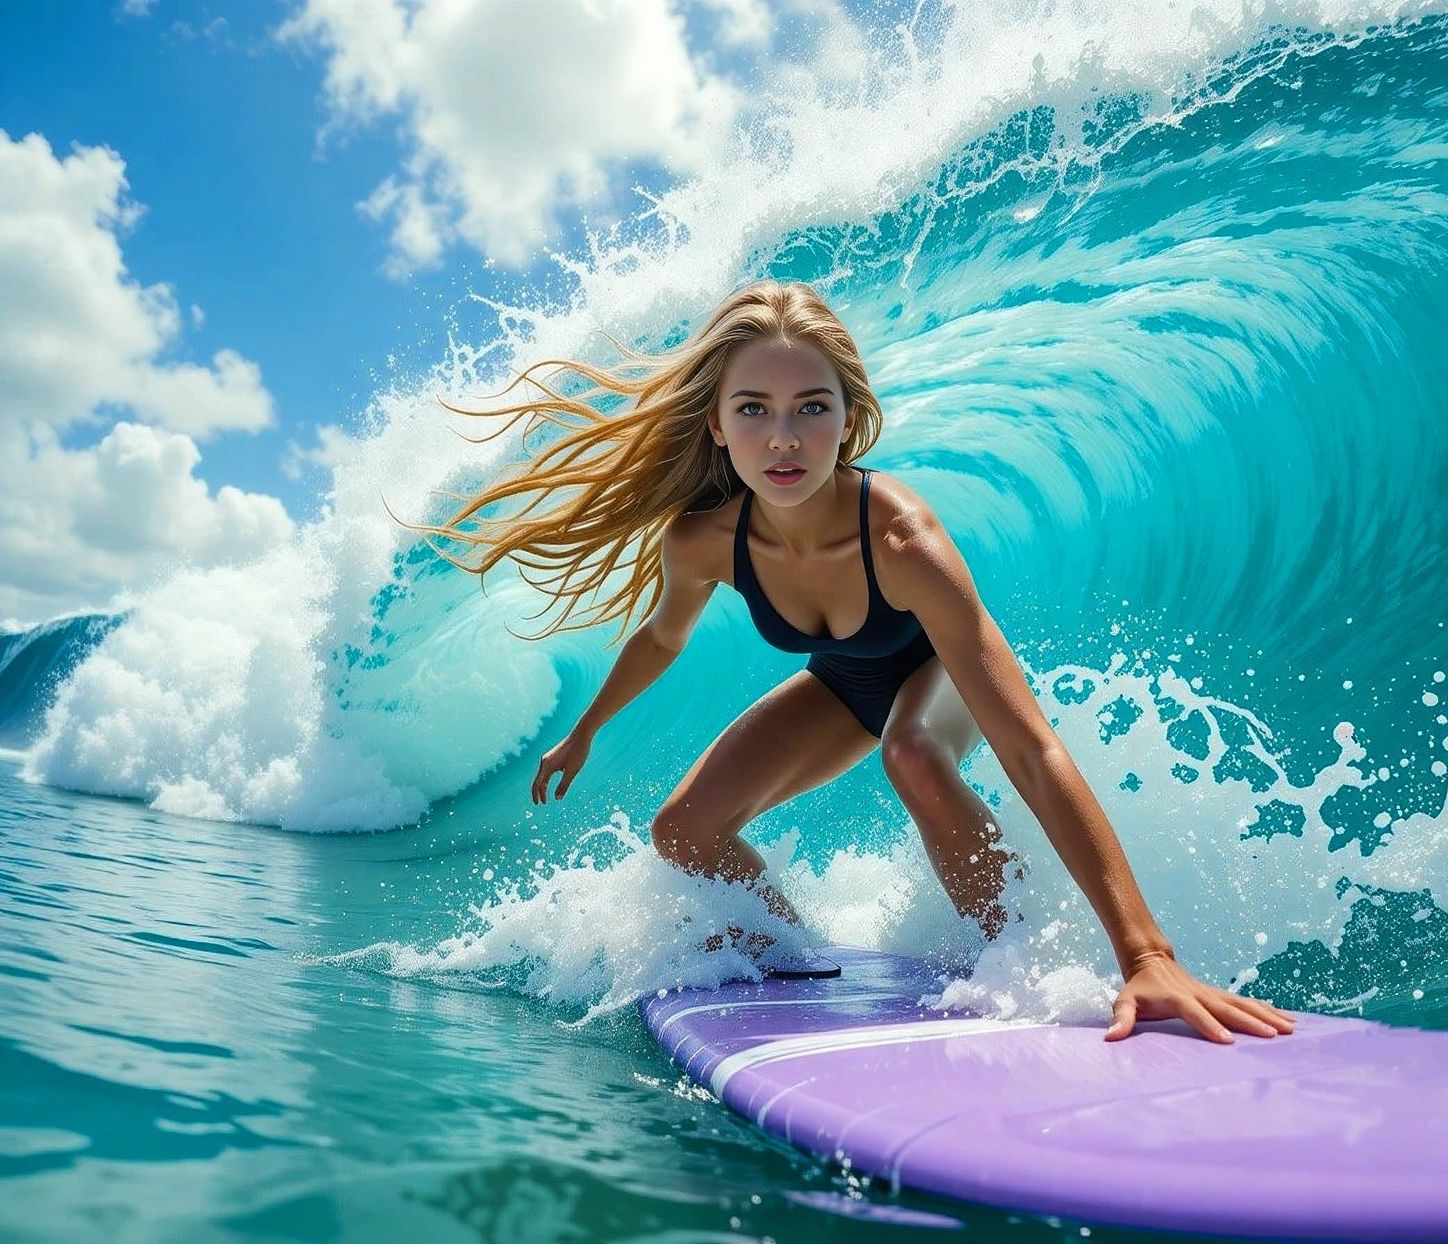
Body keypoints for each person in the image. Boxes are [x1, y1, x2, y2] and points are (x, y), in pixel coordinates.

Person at [413, 279, 1294, 1045]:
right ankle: (798, 960)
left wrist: (1148, 952)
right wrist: (585, 732)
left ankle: (1030, 965)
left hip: (935, 674)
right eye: (753, 408)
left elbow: (1032, 748)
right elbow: (661, 638)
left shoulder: (904, 541)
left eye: (812, 408)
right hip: (844, 683)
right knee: (683, 831)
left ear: (849, 416)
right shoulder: (706, 540)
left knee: (914, 754)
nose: (784, 438)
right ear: (717, 426)